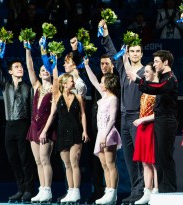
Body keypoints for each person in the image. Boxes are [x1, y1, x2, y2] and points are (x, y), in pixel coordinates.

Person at [100, 19, 145, 204]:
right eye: (131, 51)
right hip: (124, 118)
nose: (134, 54)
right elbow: (112, 53)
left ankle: (143, 190)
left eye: (137, 51)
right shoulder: (122, 68)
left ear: (142, 53)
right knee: (128, 159)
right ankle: (135, 190)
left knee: (141, 157)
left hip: (138, 117)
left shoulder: (145, 72)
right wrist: (105, 35)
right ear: (127, 52)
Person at [126, 50, 178, 193]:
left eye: (156, 61)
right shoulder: (163, 78)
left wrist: (138, 80)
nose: (154, 64)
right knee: (159, 158)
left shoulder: (170, 79)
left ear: (165, 62)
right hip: (161, 121)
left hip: (167, 121)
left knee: (164, 157)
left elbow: (157, 88)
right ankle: (162, 190)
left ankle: (169, 191)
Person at [0, 41, 34, 203]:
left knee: (25, 159)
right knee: (13, 159)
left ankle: (29, 190)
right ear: (10, 71)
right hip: (9, 126)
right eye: (16, 67)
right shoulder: (5, 85)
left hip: (23, 125)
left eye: (21, 66)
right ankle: (20, 188)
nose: (20, 68)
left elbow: (31, 109)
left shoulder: (28, 87)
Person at [84, 58, 122, 204]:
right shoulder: (103, 94)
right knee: (104, 164)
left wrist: (104, 135)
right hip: (101, 133)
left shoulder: (113, 98)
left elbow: (112, 119)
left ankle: (113, 192)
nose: (100, 84)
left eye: (103, 82)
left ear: (108, 84)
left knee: (110, 163)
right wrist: (87, 65)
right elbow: (93, 80)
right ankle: (108, 191)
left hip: (109, 133)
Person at [52, 55, 89, 203]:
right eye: (70, 81)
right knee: (67, 164)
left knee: (74, 162)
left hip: (75, 131)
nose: (73, 82)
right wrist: (54, 64)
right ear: (64, 83)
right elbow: (55, 80)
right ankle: (71, 190)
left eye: (73, 81)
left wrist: (85, 131)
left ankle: (76, 191)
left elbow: (83, 115)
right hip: (62, 132)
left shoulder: (78, 97)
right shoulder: (57, 95)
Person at [24, 43, 57, 203]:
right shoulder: (37, 86)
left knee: (45, 159)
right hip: (33, 127)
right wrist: (28, 50)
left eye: (46, 70)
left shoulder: (55, 89)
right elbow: (30, 68)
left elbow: (53, 113)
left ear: (50, 72)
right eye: (42, 70)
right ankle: (42, 188)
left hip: (46, 129)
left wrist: (45, 131)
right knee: (37, 161)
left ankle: (48, 190)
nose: (44, 72)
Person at [124, 60, 159, 204]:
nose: (144, 75)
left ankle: (156, 190)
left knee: (153, 161)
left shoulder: (158, 90)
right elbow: (130, 74)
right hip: (142, 128)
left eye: (146, 72)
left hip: (151, 127)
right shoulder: (146, 89)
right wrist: (125, 58)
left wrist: (142, 120)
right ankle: (147, 191)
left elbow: (160, 113)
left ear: (154, 72)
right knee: (145, 162)